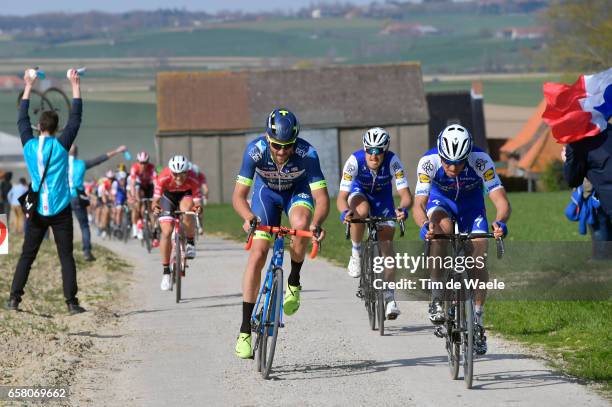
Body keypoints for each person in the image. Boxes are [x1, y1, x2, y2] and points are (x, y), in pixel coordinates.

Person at [232, 108, 329, 359]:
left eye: (287, 146)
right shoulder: (255, 151)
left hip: (297, 193)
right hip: (266, 196)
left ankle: (294, 281)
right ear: (267, 138)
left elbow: (321, 197)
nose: (282, 151)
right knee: (257, 255)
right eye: (276, 145)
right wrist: (248, 217)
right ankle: (244, 330)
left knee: (300, 224)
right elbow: (239, 196)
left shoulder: (307, 154)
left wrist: (316, 224)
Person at [412, 124, 511, 355]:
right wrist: (423, 225)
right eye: (447, 161)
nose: (452, 167)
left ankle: (477, 319)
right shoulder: (429, 161)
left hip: (472, 207)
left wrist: (500, 222)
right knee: (439, 232)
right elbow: (419, 203)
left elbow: (501, 201)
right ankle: (437, 296)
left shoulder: (481, 160)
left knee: (479, 257)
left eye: (458, 162)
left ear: (468, 155)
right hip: (441, 203)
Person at [6, 68, 85, 314]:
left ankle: (14, 299)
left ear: (39, 126)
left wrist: (28, 85)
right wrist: (75, 85)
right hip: (61, 208)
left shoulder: (29, 146)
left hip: (37, 209)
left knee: (27, 256)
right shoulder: (63, 146)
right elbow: (76, 119)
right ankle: (71, 303)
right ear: (57, 127)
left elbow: (21, 118)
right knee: (66, 257)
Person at [337, 127, 413, 319]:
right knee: (360, 212)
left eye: (378, 150)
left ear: (385, 150)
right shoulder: (355, 161)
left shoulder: (393, 161)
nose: (373, 155)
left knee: (387, 247)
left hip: (383, 199)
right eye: (369, 150)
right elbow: (341, 197)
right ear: (365, 149)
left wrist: (402, 209)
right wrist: (345, 212)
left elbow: (405, 196)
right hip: (359, 193)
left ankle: (389, 297)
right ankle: (356, 252)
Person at [152, 155, 202, 291]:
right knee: (167, 232)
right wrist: (155, 207)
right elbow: (155, 200)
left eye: (182, 174)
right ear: (170, 172)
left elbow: (197, 201)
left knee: (187, 210)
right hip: (168, 198)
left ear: (187, 171)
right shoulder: (163, 177)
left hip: (186, 195)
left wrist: (197, 208)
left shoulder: (192, 178)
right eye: (175, 174)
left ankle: (190, 242)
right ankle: (166, 272)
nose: (179, 178)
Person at [69, 144, 126, 260]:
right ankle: (87, 252)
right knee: (84, 226)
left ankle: (65, 253)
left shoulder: (60, 164)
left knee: (62, 226)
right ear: (77, 153)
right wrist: (117, 150)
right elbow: (100, 159)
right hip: (78, 197)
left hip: (64, 197)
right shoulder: (81, 164)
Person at [563, 126, 612, 259]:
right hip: (599, 195)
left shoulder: (577, 142)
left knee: (602, 241)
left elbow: (572, 179)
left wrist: (567, 158)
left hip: (597, 196)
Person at [129, 151, 157, 240]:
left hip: (149, 186)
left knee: (150, 207)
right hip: (139, 186)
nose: (143, 165)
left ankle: (153, 229)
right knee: (137, 203)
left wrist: (157, 195)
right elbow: (132, 184)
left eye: (145, 163)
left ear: (148, 162)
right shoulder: (134, 168)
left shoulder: (152, 168)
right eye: (141, 163)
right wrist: (133, 197)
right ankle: (135, 228)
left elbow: (156, 183)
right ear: (138, 162)